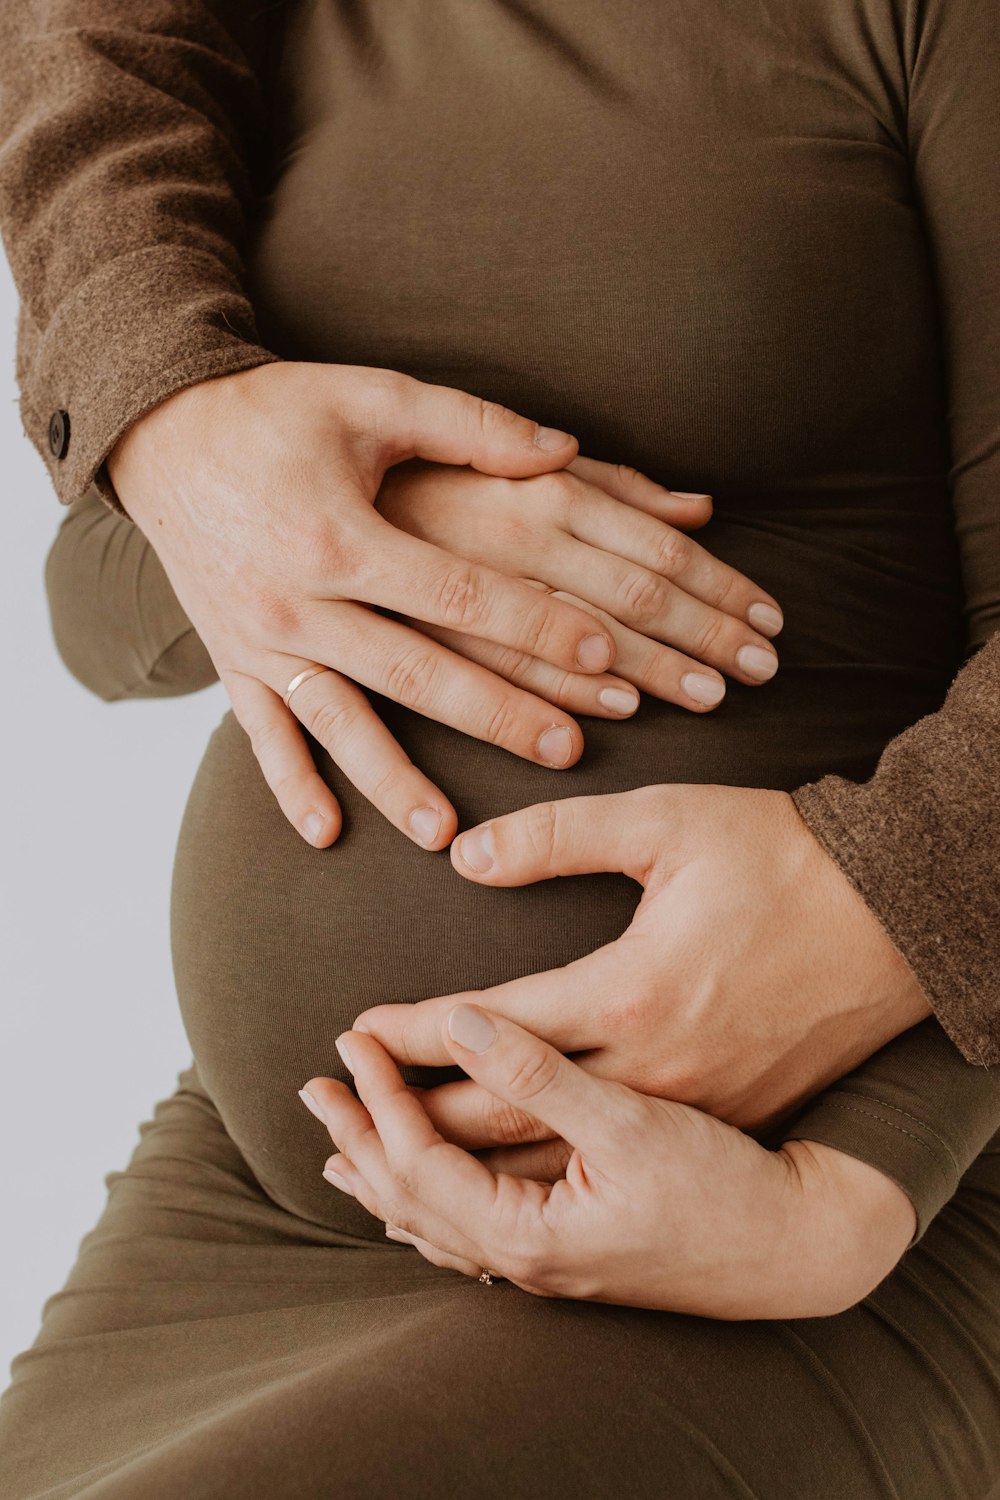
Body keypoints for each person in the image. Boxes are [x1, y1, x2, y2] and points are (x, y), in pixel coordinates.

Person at [1, 2, 999, 1495]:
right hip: (268, 1193)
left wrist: (850, 1193)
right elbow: (92, 605)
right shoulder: (257, 39)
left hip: (796, 1205)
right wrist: (341, 537)